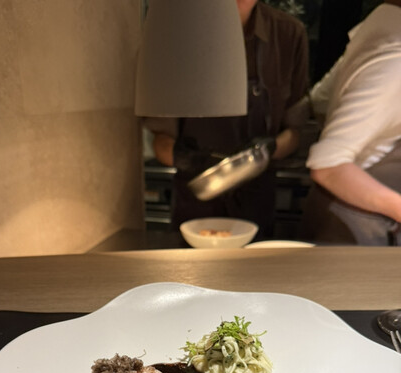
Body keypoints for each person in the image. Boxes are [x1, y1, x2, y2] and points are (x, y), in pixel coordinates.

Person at [144, 0, 310, 239]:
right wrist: (189, 158)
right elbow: (160, 142)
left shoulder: (287, 34)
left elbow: (295, 133)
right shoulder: (176, 33)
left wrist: (268, 149)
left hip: (256, 201)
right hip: (196, 202)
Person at [300, 1, 401, 245]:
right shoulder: (395, 58)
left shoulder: (381, 25)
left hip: (336, 208)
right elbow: (327, 164)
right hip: (356, 223)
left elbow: (320, 100)